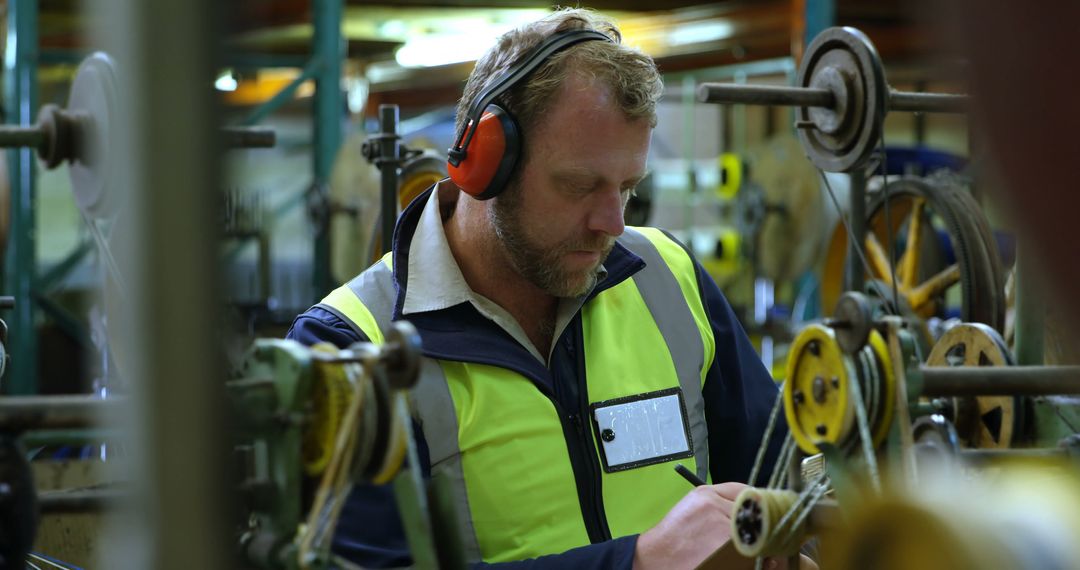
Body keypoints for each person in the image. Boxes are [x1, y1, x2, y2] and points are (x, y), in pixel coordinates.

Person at [288, 8, 786, 569]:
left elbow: (780, 475)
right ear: (482, 165)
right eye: (579, 185)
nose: (612, 223)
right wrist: (637, 563)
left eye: (627, 187)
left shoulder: (668, 275)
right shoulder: (350, 348)